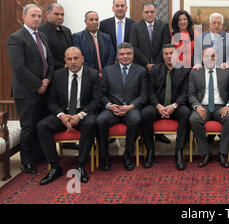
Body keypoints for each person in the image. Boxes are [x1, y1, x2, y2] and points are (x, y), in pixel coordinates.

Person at [37, 47, 101, 185]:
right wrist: (61, 115)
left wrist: (80, 115)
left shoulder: (93, 74)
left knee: (91, 123)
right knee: (42, 126)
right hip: (64, 113)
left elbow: (97, 100)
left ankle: (81, 165)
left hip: (84, 112)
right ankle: (55, 167)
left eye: (76, 58)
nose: (73, 62)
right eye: (69, 59)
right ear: (65, 60)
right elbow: (51, 101)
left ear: (82, 59)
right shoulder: (57, 75)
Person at [6, 4, 54, 174]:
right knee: (28, 126)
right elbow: (19, 68)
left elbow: (49, 61)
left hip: (45, 88)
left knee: (41, 124)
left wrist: (47, 79)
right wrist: (37, 85)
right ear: (24, 17)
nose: (36, 19)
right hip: (27, 92)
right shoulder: (16, 38)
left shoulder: (42, 35)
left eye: (39, 16)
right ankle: (26, 161)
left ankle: (39, 155)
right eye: (33, 15)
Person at [96, 43, 148, 171]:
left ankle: (128, 155)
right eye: (122, 54)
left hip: (131, 108)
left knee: (136, 119)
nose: (125, 57)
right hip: (112, 109)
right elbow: (100, 94)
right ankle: (105, 157)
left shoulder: (141, 71)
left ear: (133, 55)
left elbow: (144, 95)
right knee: (100, 120)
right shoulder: (107, 71)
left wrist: (131, 106)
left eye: (128, 54)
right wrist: (109, 106)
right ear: (117, 56)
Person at [141, 44, 191, 170]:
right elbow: (150, 92)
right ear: (162, 56)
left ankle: (179, 152)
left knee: (185, 113)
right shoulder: (154, 70)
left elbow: (185, 93)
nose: (169, 56)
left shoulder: (185, 70)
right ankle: (150, 152)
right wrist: (158, 106)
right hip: (158, 105)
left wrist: (173, 106)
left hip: (176, 106)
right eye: (166, 54)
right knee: (145, 113)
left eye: (172, 53)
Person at [188, 47, 229, 168]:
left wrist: (228, 106)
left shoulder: (225, 71)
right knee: (194, 119)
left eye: (213, 56)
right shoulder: (195, 72)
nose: (210, 59)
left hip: (221, 106)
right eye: (207, 56)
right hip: (203, 106)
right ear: (202, 58)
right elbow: (191, 94)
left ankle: (222, 153)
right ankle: (205, 153)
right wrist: (197, 106)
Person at [129, 1, 171, 71]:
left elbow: (165, 46)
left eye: (152, 12)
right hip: (141, 66)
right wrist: (146, 64)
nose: (149, 14)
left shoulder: (163, 26)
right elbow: (133, 47)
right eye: (146, 12)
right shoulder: (135, 27)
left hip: (160, 66)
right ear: (142, 13)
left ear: (156, 12)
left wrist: (155, 65)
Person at [72, 11, 115, 76]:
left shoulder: (107, 37)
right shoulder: (77, 37)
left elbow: (111, 55)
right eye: (91, 19)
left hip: (106, 74)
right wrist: (93, 73)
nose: (94, 22)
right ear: (85, 22)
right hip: (87, 74)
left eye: (96, 19)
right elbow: (79, 57)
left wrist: (104, 72)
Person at [39, 3, 73, 71]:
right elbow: (42, 56)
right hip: (50, 73)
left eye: (62, 14)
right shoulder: (40, 31)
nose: (60, 17)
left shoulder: (67, 31)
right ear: (48, 14)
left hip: (68, 71)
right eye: (56, 14)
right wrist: (63, 66)